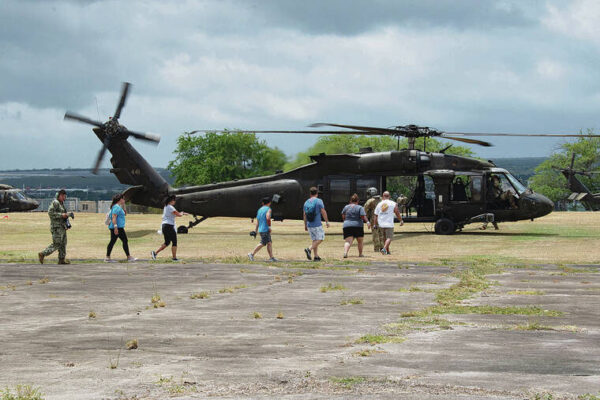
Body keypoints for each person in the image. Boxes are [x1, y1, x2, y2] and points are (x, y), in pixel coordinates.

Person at [38, 189, 71, 265]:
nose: (64, 197)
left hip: (62, 227)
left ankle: (61, 259)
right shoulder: (55, 203)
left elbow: (63, 215)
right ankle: (43, 254)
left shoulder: (61, 203)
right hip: (57, 227)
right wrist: (61, 215)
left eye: (64, 196)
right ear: (58, 196)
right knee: (57, 243)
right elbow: (50, 213)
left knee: (63, 243)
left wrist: (67, 222)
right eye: (62, 196)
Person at [151, 195, 186, 261]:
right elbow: (178, 214)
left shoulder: (166, 207)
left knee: (167, 242)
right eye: (174, 200)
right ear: (171, 201)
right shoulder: (170, 207)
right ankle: (174, 258)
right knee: (174, 242)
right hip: (169, 226)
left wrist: (181, 213)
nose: (175, 202)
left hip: (165, 226)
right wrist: (182, 213)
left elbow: (173, 215)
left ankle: (155, 253)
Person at [105, 193, 137, 262]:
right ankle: (128, 257)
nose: (124, 200)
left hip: (118, 227)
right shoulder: (116, 207)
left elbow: (125, 214)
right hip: (117, 227)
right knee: (123, 241)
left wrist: (123, 205)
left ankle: (108, 257)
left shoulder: (118, 207)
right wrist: (116, 228)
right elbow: (114, 217)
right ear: (120, 199)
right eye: (123, 199)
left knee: (114, 241)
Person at [303, 186, 330, 261]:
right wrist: (327, 221)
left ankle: (316, 256)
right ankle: (309, 249)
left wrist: (305, 225)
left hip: (309, 224)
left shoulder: (306, 202)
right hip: (317, 224)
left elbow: (304, 214)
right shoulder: (319, 201)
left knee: (315, 240)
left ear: (310, 193)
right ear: (317, 193)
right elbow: (323, 211)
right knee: (321, 238)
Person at [248, 197, 278, 262]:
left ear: (263, 203)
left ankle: (271, 257)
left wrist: (255, 230)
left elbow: (257, 222)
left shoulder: (259, 210)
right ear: (269, 203)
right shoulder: (268, 209)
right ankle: (252, 254)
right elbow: (268, 217)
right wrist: (269, 227)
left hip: (261, 229)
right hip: (265, 229)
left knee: (269, 243)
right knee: (263, 243)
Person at [374, 191, 403, 255]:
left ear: (383, 196)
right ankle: (384, 249)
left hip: (381, 223)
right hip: (389, 223)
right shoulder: (393, 203)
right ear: (389, 196)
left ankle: (387, 251)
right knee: (389, 238)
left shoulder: (379, 204)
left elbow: (376, 215)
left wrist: (375, 224)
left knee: (385, 238)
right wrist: (401, 220)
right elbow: (397, 212)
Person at [341, 193, 369, 258]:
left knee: (348, 241)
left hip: (347, 225)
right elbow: (363, 216)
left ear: (350, 201)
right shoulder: (360, 207)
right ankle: (360, 254)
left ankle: (345, 253)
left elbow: (343, 215)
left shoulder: (346, 207)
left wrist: (346, 220)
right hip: (358, 225)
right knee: (360, 241)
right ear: (357, 201)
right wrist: (367, 222)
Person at [363, 187, 384, 252]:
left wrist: (365, 217)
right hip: (382, 218)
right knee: (382, 233)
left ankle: (376, 248)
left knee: (375, 233)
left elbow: (365, 209)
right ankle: (382, 247)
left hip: (374, 218)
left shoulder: (370, 201)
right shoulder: (382, 199)